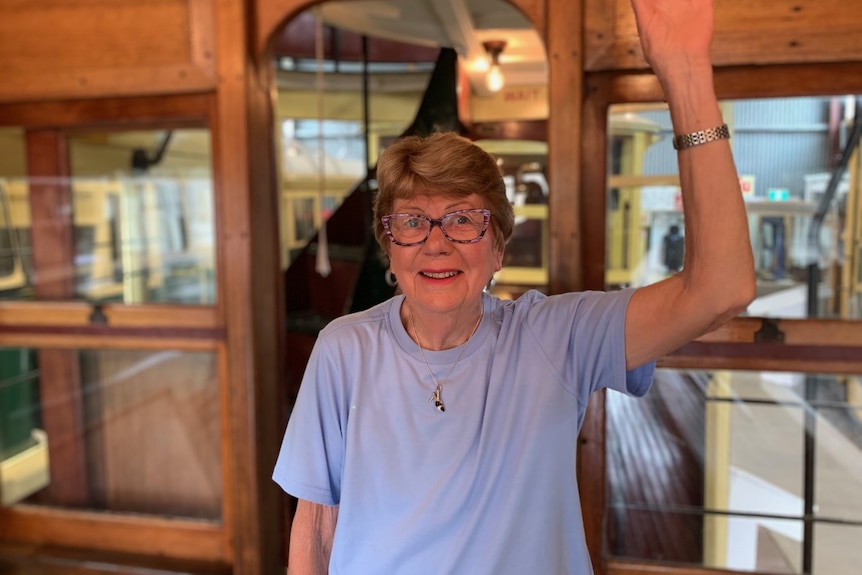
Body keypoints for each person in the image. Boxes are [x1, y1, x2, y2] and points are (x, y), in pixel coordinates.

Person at [273, 0, 756, 572]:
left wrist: (685, 71)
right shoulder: (343, 348)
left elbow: (721, 287)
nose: (436, 241)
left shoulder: (555, 337)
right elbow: (317, 521)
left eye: (464, 218)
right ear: (389, 247)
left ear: (499, 246)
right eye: (411, 220)